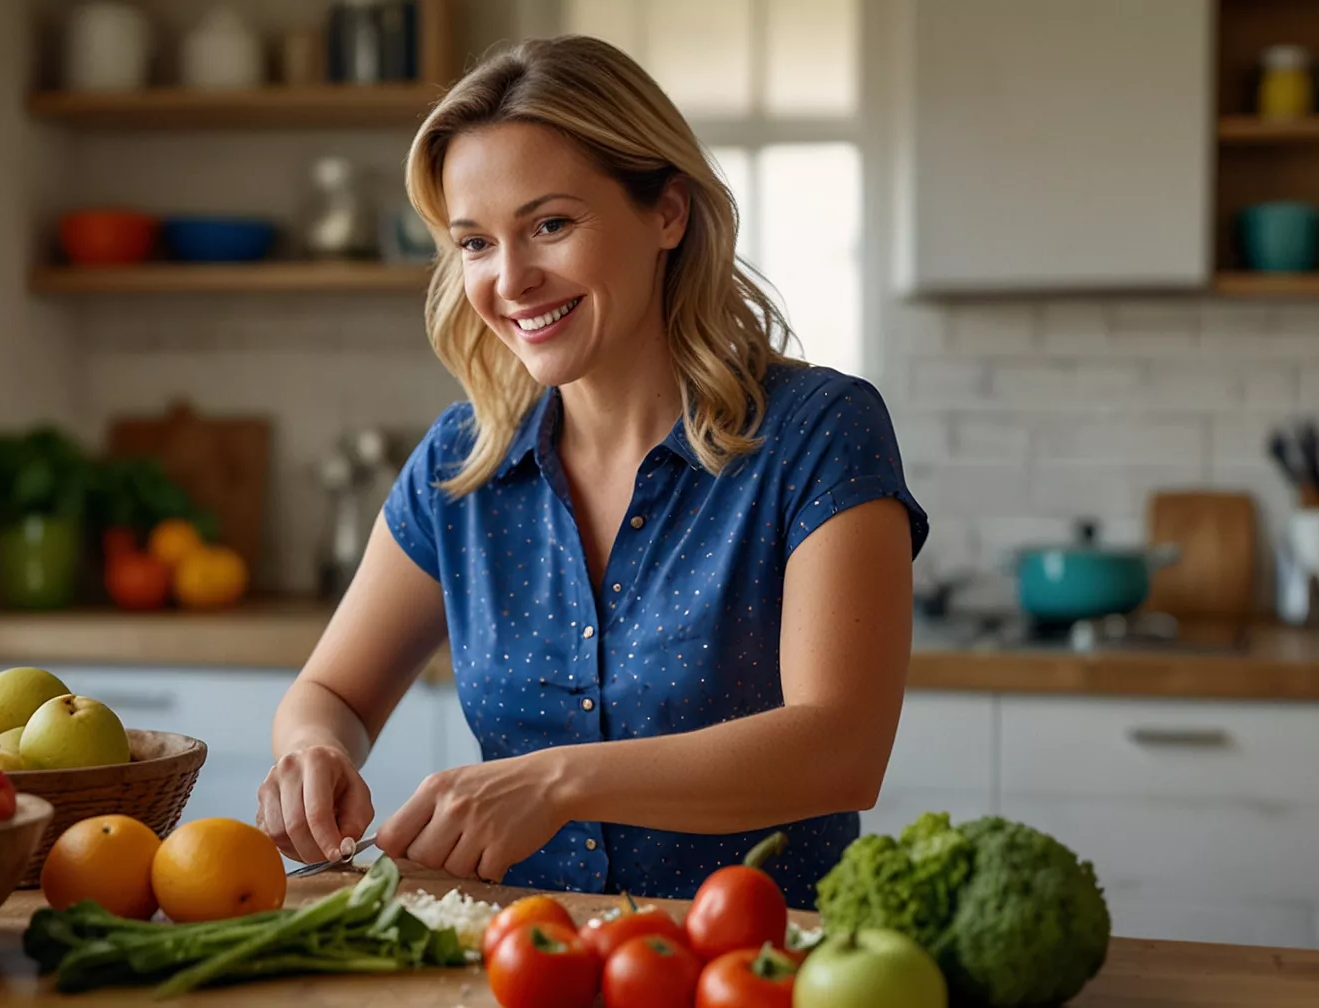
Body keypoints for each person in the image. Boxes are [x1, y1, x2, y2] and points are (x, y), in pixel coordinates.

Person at [257, 34, 928, 908]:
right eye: (474, 243)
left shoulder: (819, 432)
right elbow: (332, 690)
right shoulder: (461, 465)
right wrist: (316, 750)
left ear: (668, 214)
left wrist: (560, 782)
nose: (509, 280)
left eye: (550, 225)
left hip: (757, 968)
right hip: (526, 963)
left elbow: (842, 747)